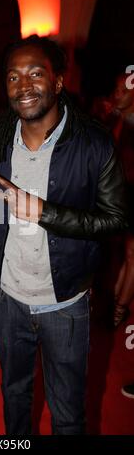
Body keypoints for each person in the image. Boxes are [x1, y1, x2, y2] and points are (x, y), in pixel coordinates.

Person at [0, 35, 127, 435]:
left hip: (64, 305)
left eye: (35, 73)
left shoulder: (94, 143)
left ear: (58, 81)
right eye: (13, 77)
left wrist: (47, 213)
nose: (23, 85)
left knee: (67, 417)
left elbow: (116, 220)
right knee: (14, 399)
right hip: (9, 302)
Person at [109, 72, 134, 327]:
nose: (117, 94)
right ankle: (112, 302)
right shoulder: (113, 119)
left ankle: (119, 308)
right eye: (116, 89)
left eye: (122, 90)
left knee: (132, 253)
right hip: (117, 195)